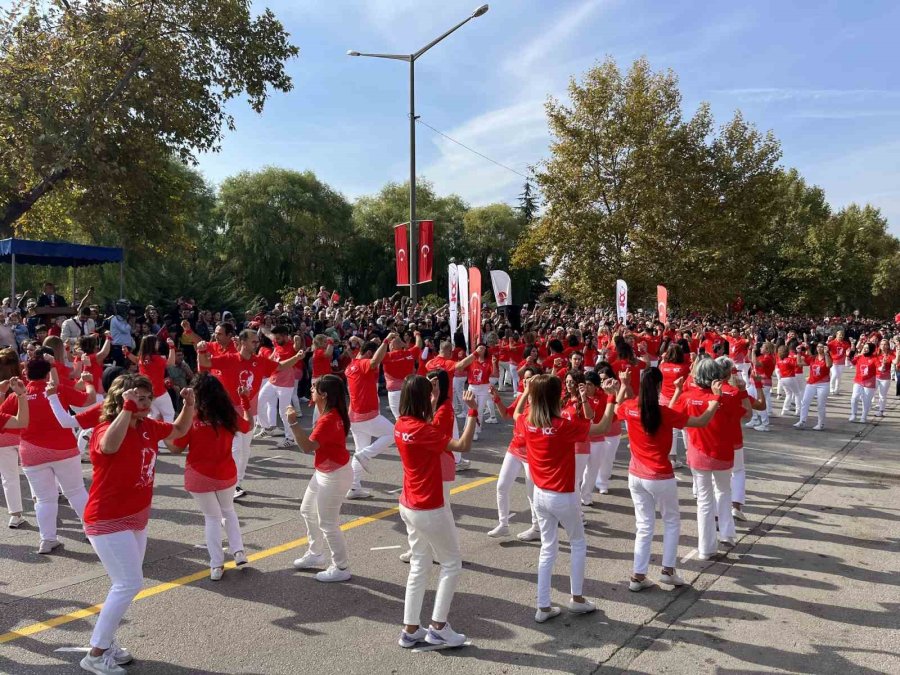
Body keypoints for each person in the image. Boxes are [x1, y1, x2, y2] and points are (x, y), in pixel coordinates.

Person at [78, 374, 193, 675]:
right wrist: (126, 409)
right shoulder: (106, 427)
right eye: (137, 398)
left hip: (136, 516)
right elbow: (110, 446)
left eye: (146, 397)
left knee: (125, 583)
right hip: (107, 518)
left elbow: (179, 429)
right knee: (129, 583)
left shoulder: (148, 426)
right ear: (120, 400)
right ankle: (96, 653)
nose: (144, 403)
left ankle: (106, 642)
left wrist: (189, 404)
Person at [515, 373, 618, 623]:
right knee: (577, 543)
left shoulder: (526, 422)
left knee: (547, 548)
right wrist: (614, 395)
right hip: (562, 494)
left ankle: (543, 605)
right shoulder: (563, 426)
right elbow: (603, 427)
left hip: (540, 494)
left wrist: (526, 393)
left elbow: (517, 414)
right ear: (554, 397)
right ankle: (577, 599)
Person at [617, 367, 719, 591]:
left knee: (644, 526)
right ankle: (668, 570)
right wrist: (715, 400)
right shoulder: (662, 413)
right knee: (671, 522)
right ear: (657, 387)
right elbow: (700, 421)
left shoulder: (631, 407)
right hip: (660, 475)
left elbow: (617, 407)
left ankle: (638, 575)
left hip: (636, 475)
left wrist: (623, 386)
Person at [395, 376, 478, 649]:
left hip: (407, 504)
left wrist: (429, 401)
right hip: (428, 506)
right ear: (423, 398)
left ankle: (410, 630)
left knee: (419, 564)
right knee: (452, 563)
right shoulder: (424, 431)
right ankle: (439, 628)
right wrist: (472, 412)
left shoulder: (401, 425)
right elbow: (463, 446)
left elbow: (422, 428)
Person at [1, 355, 96, 553]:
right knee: (76, 491)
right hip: (64, 448)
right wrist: (88, 383)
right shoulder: (57, 389)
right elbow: (89, 400)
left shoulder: (17, 395)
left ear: (26, 372)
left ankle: (47, 539)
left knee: (44, 499)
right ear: (47, 373)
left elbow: (4, 418)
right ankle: (91, 530)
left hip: (31, 452)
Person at [197, 329, 304, 499]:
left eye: (257, 341)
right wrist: (201, 349)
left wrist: (297, 358)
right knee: (236, 448)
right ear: (242, 342)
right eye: (253, 341)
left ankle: (237, 482)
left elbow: (280, 366)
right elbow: (205, 364)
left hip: (248, 410)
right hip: (228, 409)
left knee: (245, 450)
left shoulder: (259, 361)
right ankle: (229, 483)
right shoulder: (229, 359)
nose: (257, 344)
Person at [167, 373, 251, 581]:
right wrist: (245, 401)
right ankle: (239, 552)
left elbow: (176, 447)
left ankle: (216, 565)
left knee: (212, 519)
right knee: (228, 511)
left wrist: (165, 431)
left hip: (199, 475)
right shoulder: (228, 414)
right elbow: (247, 426)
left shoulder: (192, 417)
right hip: (225, 472)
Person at [671, 357, 741, 560]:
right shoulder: (730, 395)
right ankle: (727, 533)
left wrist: (677, 391)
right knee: (723, 491)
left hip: (699, 453)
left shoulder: (687, 396)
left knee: (704, 500)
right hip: (722, 452)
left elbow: (672, 415)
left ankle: (706, 547)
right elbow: (742, 415)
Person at [287, 374, 355, 582]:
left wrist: (293, 423)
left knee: (328, 523)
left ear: (324, 394)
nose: (311, 390)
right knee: (307, 510)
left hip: (333, 475)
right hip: (326, 471)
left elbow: (307, 446)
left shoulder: (329, 419)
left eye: (315, 388)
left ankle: (341, 567)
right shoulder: (332, 412)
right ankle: (316, 554)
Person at [485, 367, 540, 541]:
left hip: (531, 454)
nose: (526, 382)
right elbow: (506, 414)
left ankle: (537, 528)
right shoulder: (521, 400)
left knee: (532, 494)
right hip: (514, 449)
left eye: (530, 379)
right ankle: (503, 524)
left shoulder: (541, 403)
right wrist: (496, 398)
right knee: (502, 486)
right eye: (524, 379)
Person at [0, 374, 32, 528]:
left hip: (4, 438)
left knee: (9, 478)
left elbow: (2, 413)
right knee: (34, 473)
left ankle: (15, 515)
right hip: (27, 438)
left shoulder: (13, 396)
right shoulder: (41, 394)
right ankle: (42, 506)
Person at [125, 335, 176, 423]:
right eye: (156, 342)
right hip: (160, 392)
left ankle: (151, 434)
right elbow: (171, 363)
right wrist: (171, 347)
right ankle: (168, 435)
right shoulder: (157, 359)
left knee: (153, 415)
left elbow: (136, 360)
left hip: (147, 393)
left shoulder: (141, 358)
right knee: (169, 414)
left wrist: (128, 353)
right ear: (152, 344)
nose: (158, 343)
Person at [794, 343, 833, 431]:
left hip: (823, 384)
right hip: (811, 383)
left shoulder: (828, 357)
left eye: (822, 347)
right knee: (805, 402)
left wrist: (827, 353)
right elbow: (799, 363)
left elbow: (828, 365)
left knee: (820, 405)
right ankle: (802, 421)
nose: (819, 348)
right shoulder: (812, 358)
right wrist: (799, 353)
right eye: (818, 346)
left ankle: (821, 423)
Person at [848, 342, 878, 423]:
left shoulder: (875, 358)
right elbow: (850, 363)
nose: (865, 349)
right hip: (858, 381)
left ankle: (864, 416)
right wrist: (849, 355)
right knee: (854, 398)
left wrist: (882, 367)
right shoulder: (859, 357)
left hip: (869, 382)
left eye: (867, 348)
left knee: (866, 400)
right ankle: (853, 414)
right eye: (864, 347)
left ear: (871, 349)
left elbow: (879, 367)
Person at [827, 331, 851, 395]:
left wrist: (848, 351)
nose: (841, 336)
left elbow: (849, 349)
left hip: (841, 362)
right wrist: (828, 340)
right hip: (833, 362)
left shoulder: (845, 343)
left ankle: (837, 389)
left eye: (842, 335)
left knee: (839, 376)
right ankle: (831, 388)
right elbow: (826, 349)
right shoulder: (832, 343)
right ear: (836, 335)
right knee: (834, 374)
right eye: (840, 334)